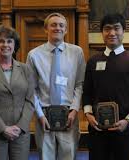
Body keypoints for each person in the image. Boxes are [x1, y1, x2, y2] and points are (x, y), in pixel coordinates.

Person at [82, 13, 129, 160]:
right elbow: (87, 91)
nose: (112, 33)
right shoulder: (93, 61)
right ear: (102, 33)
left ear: (123, 31)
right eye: (107, 29)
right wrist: (88, 114)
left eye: (116, 28)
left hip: (124, 130)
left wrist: (128, 120)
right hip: (97, 129)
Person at [26, 12, 86, 160]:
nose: (57, 28)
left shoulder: (77, 52)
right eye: (53, 25)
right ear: (46, 29)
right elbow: (31, 89)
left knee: (68, 155)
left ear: (66, 30)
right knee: (46, 156)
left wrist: (74, 110)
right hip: (44, 116)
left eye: (61, 25)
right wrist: (39, 115)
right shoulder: (34, 55)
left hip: (69, 115)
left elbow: (80, 84)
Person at [0, 25, 35, 160]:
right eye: (1, 41)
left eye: (9, 41)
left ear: (15, 45)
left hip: (20, 132)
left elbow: (31, 100)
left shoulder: (26, 69)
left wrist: (20, 127)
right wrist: (3, 128)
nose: (5, 45)